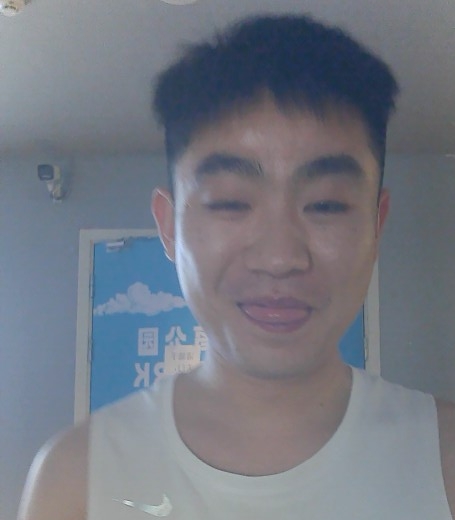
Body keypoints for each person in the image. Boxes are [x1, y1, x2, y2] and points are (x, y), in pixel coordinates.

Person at [18, 13, 455, 520]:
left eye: (327, 204)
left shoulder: (443, 459)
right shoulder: (77, 477)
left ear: (376, 225)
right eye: (229, 202)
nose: (280, 257)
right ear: (169, 226)